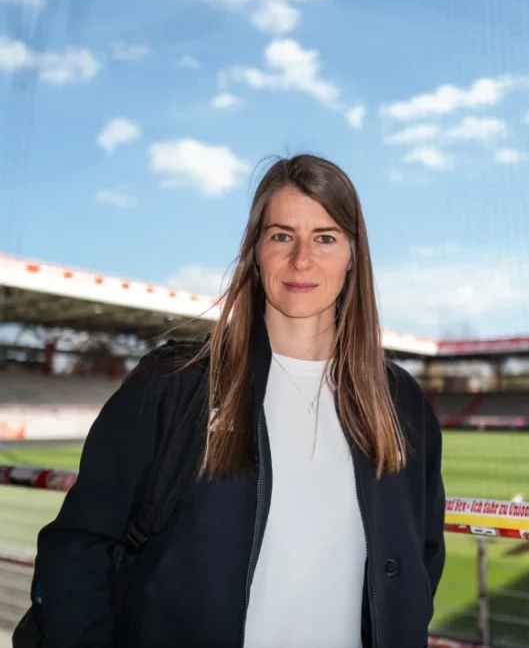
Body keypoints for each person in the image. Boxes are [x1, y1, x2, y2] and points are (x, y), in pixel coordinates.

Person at [34, 154, 446, 647]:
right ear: (255, 251)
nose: (301, 260)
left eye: (325, 237)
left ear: (354, 255)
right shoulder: (177, 383)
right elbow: (80, 546)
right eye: (281, 236)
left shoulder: (402, 405)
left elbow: (421, 560)